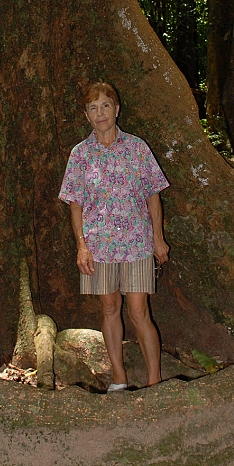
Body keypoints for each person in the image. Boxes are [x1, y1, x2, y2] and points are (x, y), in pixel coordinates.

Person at [58, 81, 170, 391]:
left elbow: (153, 196)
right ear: (86, 116)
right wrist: (81, 246)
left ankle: (154, 381)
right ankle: (119, 377)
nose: (100, 113)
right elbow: (75, 205)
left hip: (137, 242)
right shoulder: (80, 155)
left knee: (139, 310)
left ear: (116, 109)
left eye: (105, 105)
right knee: (109, 308)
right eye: (93, 108)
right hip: (99, 247)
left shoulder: (137, 148)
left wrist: (158, 238)